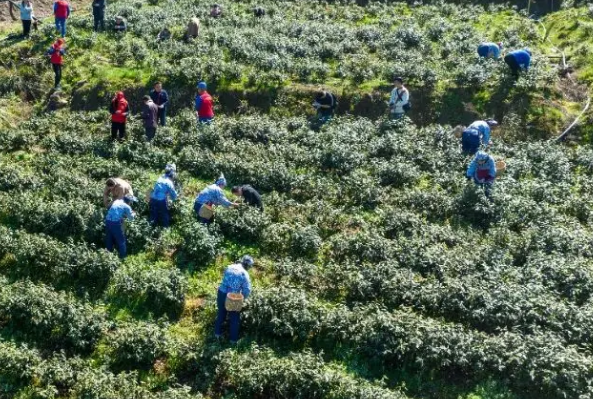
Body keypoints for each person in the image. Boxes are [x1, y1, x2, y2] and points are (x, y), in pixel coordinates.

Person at [214, 255, 254, 344]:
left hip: (221, 292)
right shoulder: (244, 274)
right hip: (233, 296)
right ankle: (233, 341)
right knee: (234, 318)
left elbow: (224, 277)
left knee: (221, 314)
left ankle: (217, 335)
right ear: (248, 266)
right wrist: (242, 297)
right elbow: (247, 290)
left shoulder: (230, 266)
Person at [105, 194, 136, 259]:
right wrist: (134, 214)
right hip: (115, 223)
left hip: (107, 220)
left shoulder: (117, 201)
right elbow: (131, 218)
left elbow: (113, 209)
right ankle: (123, 257)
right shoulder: (127, 206)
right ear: (129, 201)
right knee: (121, 240)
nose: (131, 203)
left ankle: (107, 256)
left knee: (109, 239)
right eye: (131, 202)